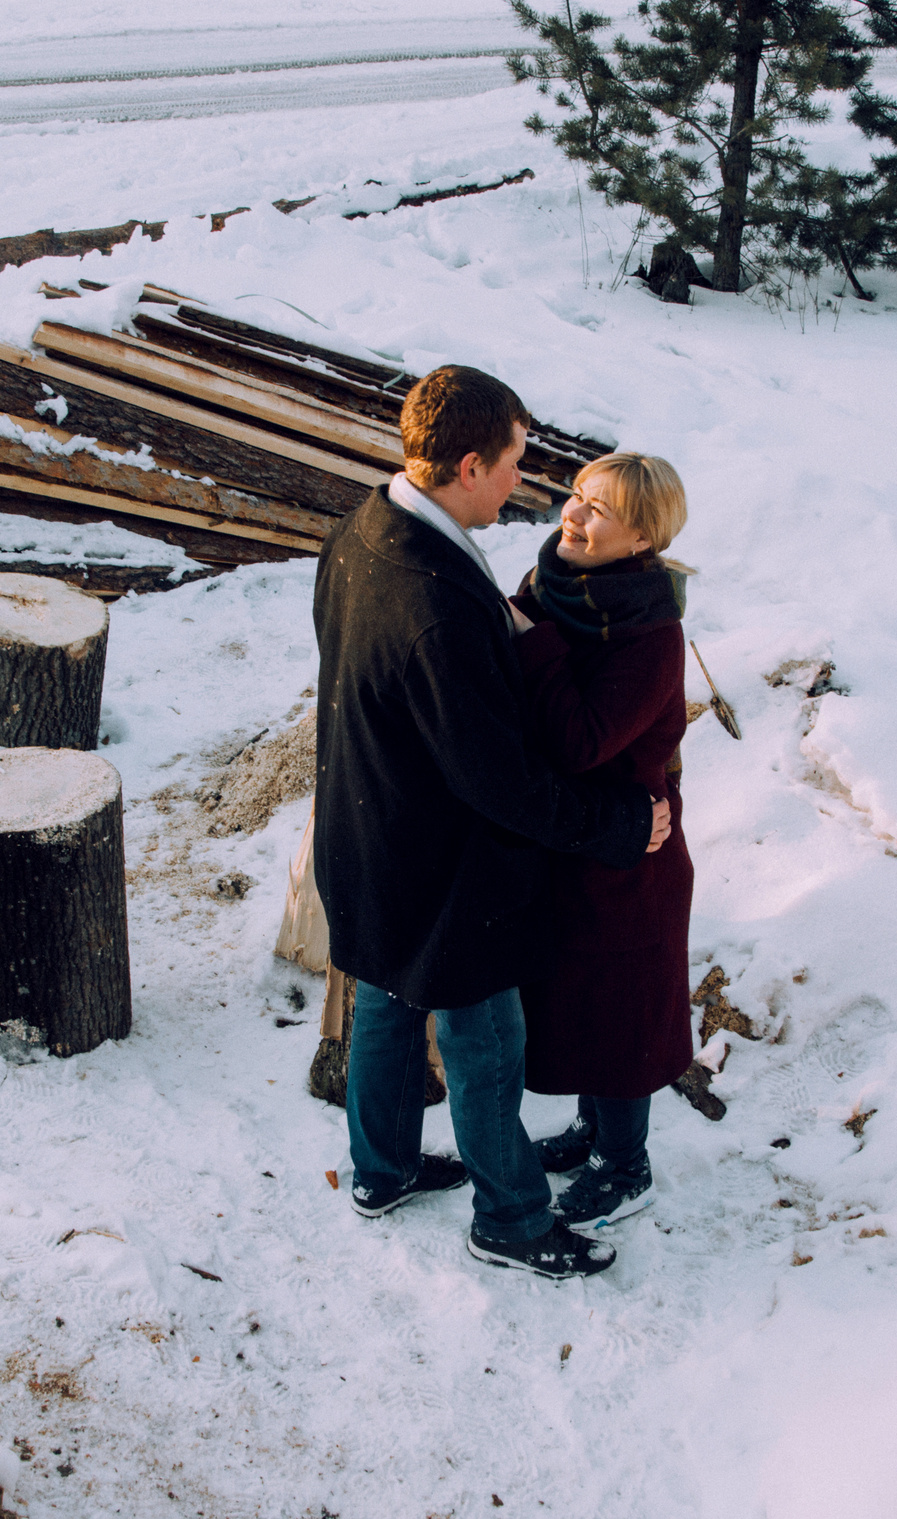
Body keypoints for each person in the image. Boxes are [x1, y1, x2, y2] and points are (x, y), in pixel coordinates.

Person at [311, 364, 669, 1281]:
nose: (527, 487)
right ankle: (509, 1217)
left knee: (388, 1006)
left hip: (366, 835)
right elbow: (500, 780)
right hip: (443, 868)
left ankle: (380, 1170)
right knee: (483, 1042)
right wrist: (620, 825)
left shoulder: (362, 530)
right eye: (515, 463)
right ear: (469, 464)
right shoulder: (439, 602)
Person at [506, 454, 695, 1235]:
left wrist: (533, 641)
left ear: (642, 537)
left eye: (599, 510)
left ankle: (626, 1163)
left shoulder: (650, 633)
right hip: (574, 838)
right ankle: (594, 1129)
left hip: (630, 855)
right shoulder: (552, 580)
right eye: (577, 497)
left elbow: (583, 739)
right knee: (581, 995)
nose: (572, 517)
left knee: (623, 1011)